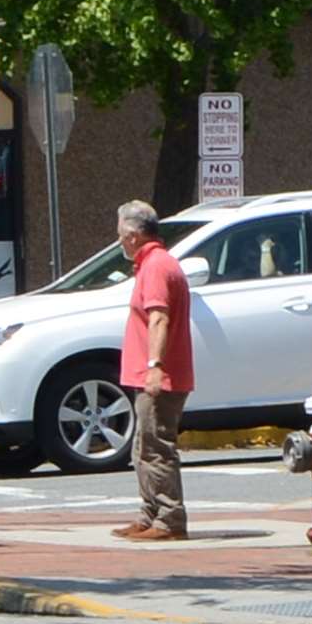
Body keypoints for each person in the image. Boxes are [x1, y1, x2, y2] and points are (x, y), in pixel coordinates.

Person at [110, 199, 193, 542]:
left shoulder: (157, 266)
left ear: (132, 235)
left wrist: (155, 366)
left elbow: (159, 317)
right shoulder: (152, 264)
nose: (119, 242)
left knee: (157, 447)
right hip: (147, 375)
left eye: (119, 235)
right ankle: (150, 514)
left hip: (158, 376)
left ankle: (170, 519)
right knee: (143, 447)